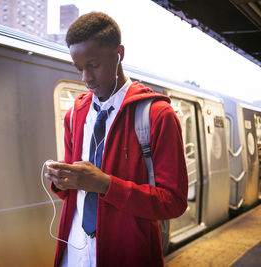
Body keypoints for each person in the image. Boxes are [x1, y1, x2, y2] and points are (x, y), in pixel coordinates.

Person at [45, 12, 188, 267]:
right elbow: (74, 193)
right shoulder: (74, 116)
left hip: (128, 253)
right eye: (79, 69)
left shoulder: (157, 115)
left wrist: (107, 185)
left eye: (94, 65)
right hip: (74, 250)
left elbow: (173, 202)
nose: (85, 78)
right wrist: (62, 180)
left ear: (119, 54)